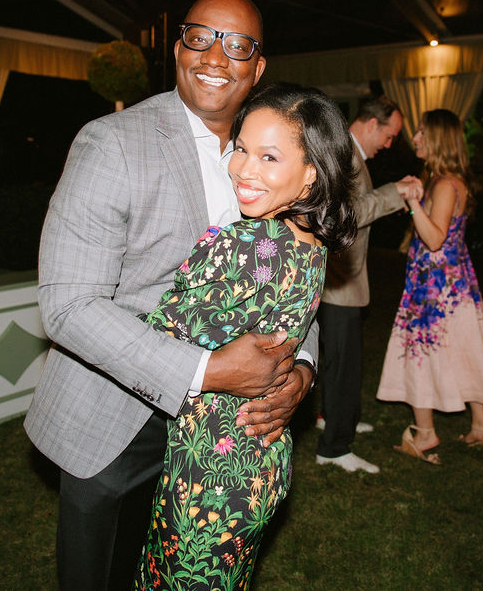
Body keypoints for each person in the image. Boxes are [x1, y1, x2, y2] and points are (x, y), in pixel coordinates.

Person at [24, 0, 319, 590]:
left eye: (238, 45)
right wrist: (206, 371)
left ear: (258, 68)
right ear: (178, 49)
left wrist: (301, 368)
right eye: (199, 37)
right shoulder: (112, 143)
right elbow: (69, 304)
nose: (215, 56)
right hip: (117, 418)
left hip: (224, 439)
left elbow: (300, 271)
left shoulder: (275, 147)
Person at [133, 82, 356, 590]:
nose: (242, 168)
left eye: (269, 157)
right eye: (240, 148)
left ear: (310, 177)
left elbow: (157, 336)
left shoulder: (244, 245)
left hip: (208, 476)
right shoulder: (313, 244)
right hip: (262, 464)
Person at [376, 108, 483, 465]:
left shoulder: (447, 184)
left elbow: (434, 239)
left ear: (438, 139)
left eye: (421, 132)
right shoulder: (440, 179)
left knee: (422, 354)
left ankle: (426, 433)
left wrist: (413, 203)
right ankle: (481, 427)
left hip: (437, 291)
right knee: (465, 352)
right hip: (447, 285)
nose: (415, 138)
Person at [315, 95, 416, 474]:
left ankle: (335, 417)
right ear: (372, 124)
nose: (388, 145)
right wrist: (395, 193)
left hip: (343, 277)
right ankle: (335, 447)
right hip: (338, 279)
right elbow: (347, 214)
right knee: (344, 362)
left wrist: (393, 188)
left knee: (341, 360)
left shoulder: (351, 153)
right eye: (389, 136)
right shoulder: (345, 155)